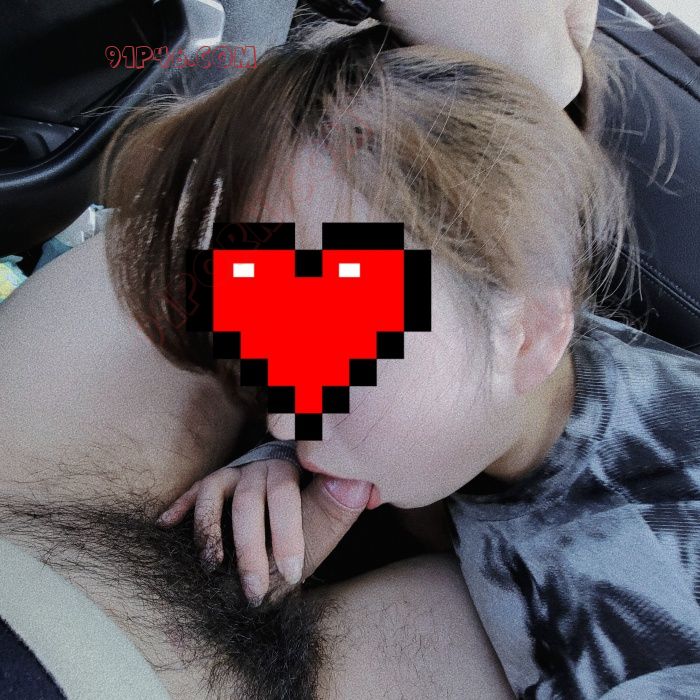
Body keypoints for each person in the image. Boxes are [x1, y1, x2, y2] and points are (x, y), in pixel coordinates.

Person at [103, 5, 700, 698]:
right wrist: (272, 471)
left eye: (333, 348)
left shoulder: (653, 616)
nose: (284, 418)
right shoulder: (494, 379)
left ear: (532, 334)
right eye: (265, 341)